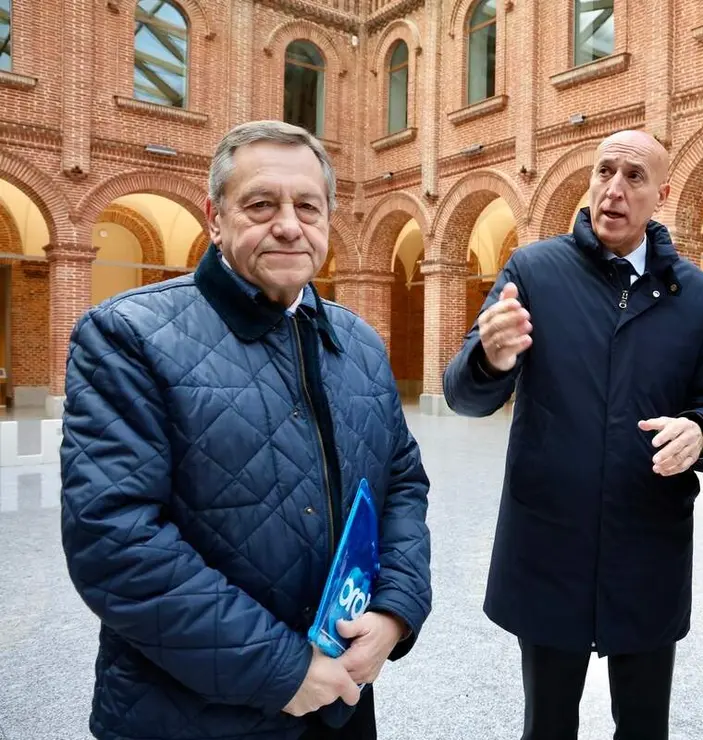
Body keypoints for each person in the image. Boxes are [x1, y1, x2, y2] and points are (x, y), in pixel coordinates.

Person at [59, 120, 432, 740]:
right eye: (261, 204)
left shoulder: (359, 343)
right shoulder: (127, 337)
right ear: (215, 216)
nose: (289, 224)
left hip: (339, 706)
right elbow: (114, 538)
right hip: (189, 715)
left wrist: (396, 607)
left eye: (307, 206)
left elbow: (401, 483)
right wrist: (284, 671)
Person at [442, 130, 703, 740]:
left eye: (634, 177)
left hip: (648, 540)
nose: (614, 190)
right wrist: (490, 359)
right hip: (550, 541)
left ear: (663, 194)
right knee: (547, 724)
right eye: (605, 172)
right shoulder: (534, 271)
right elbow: (464, 395)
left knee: (645, 725)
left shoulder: (694, 294)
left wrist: (701, 433)